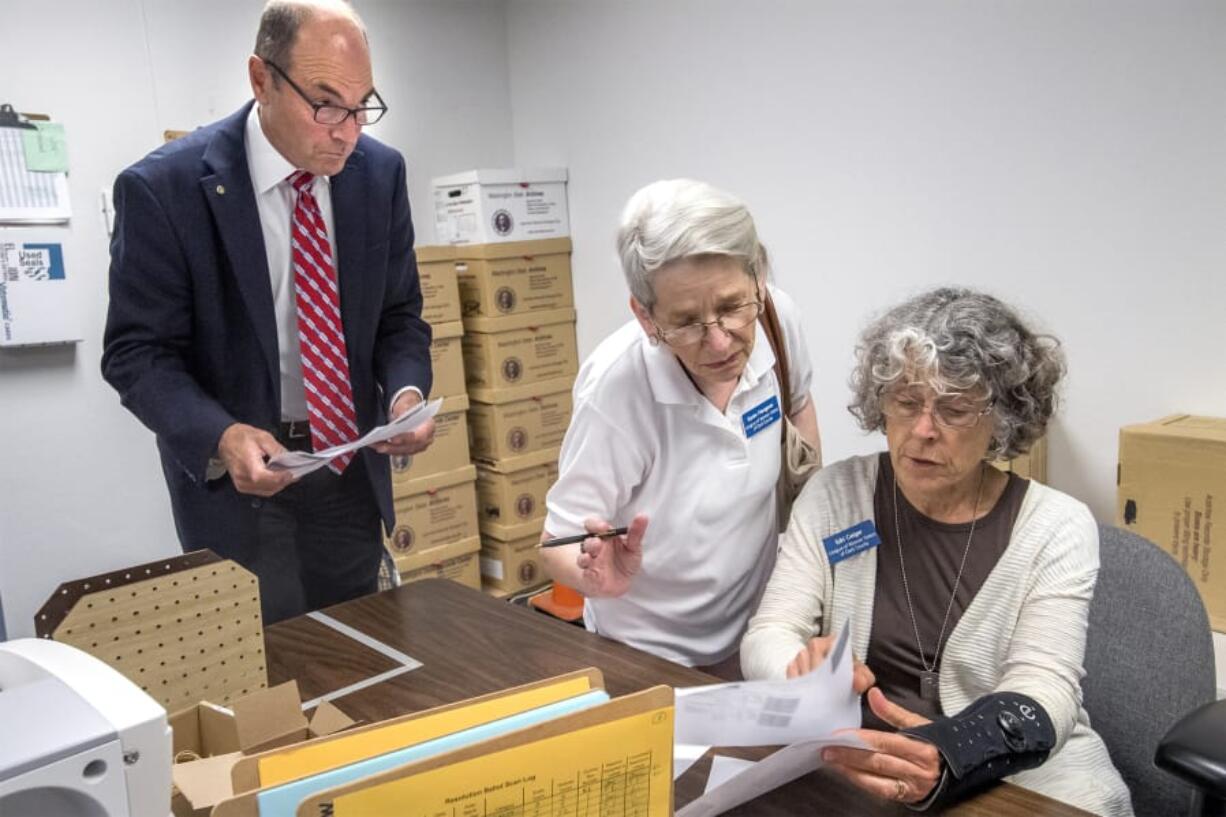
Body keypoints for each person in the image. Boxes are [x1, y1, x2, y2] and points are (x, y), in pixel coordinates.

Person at [101, 0, 435, 625]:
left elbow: (399, 315)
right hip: (242, 491)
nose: (348, 130)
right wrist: (221, 435)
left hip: (346, 469)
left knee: (363, 657)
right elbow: (136, 354)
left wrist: (408, 391)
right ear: (261, 79)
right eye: (326, 103)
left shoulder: (378, 174)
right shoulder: (164, 190)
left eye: (364, 104)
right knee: (270, 677)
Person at [741, 289, 1132, 815]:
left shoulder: (1056, 526)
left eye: (954, 409)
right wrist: (800, 676)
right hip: (870, 769)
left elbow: (1047, 689)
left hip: (1021, 780)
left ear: (1005, 419)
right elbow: (769, 633)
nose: (923, 431)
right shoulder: (836, 496)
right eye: (906, 402)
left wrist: (954, 749)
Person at [541, 179, 821, 669]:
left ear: (758, 277)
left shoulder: (777, 320)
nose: (719, 342)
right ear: (645, 316)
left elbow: (797, 404)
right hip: (648, 654)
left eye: (733, 307)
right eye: (687, 322)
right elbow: (556, 540)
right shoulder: (617, 389)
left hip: (756, 635)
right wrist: (594, 580)